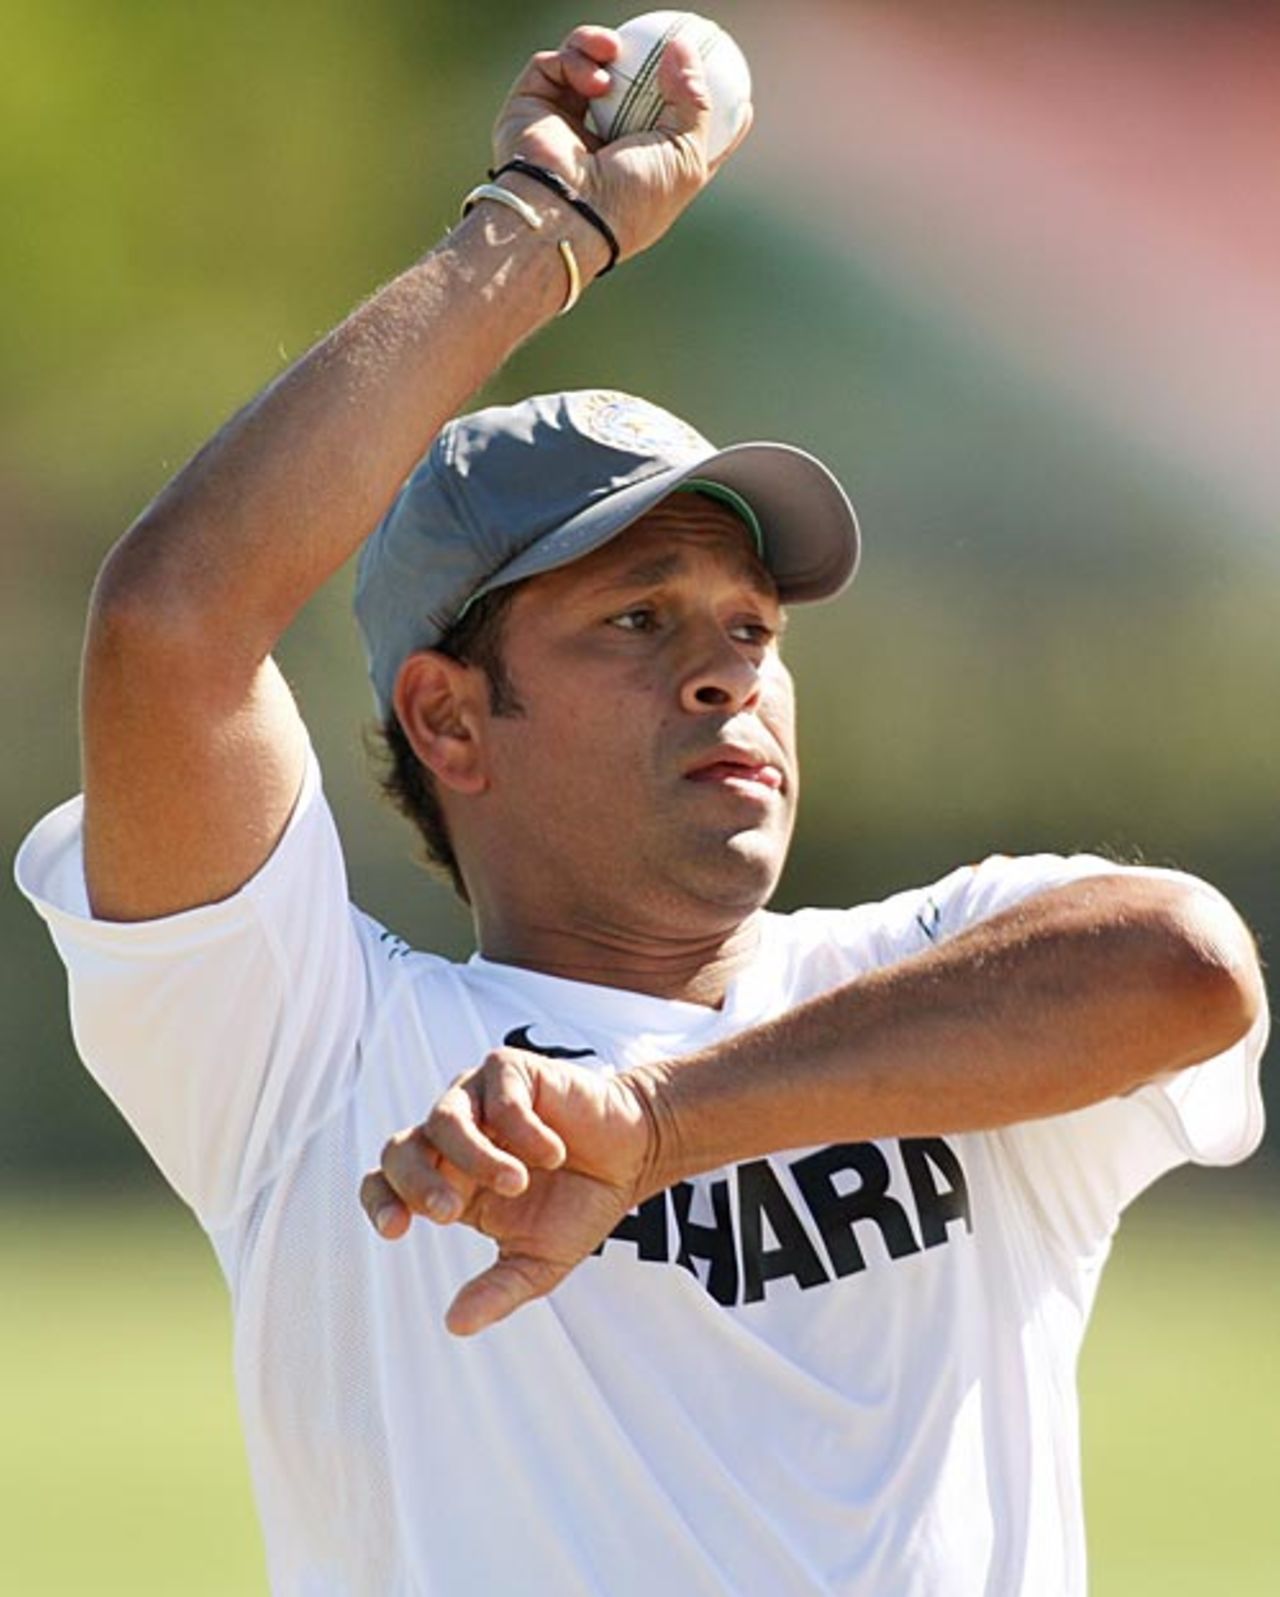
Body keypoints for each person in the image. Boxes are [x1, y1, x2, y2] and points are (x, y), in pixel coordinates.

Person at [14, 21, 1268, 1597]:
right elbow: (172, 631)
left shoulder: (920, 985)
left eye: (753, 626)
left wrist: (663, 1123)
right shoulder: (317, 1063)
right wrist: (548, 227)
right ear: (450, 718)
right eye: (639, 619)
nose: (723, 672)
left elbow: (1192, 970)